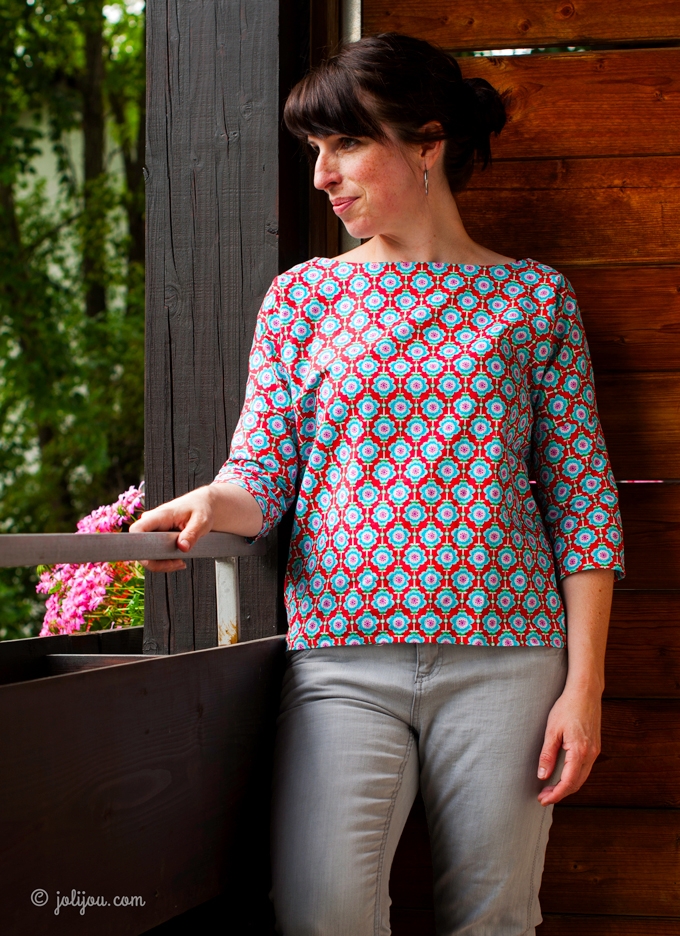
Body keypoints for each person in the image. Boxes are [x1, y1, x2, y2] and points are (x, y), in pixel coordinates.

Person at [132, 33, 624, 936]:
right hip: (340, 661)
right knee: (321, 912)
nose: (323, 174)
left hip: (511, 661)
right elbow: (260, 474)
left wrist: (582, 687)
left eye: (347, 143)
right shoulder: (302, 298)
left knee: (494, 920)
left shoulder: (535, 300)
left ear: (427, 143)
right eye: (315, 149)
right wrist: (209, 504)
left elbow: (584, 502)